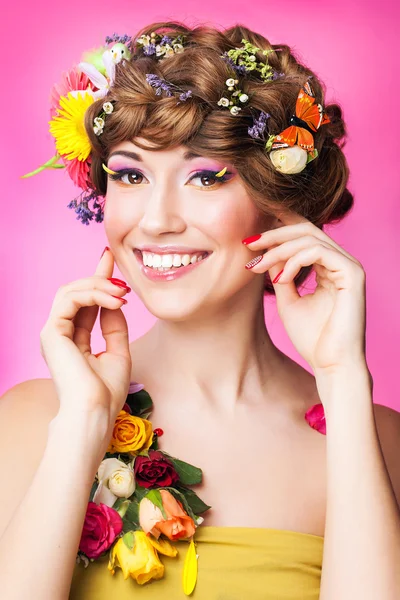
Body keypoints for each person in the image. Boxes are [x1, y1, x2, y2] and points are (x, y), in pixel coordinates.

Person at [1, 21, 400, 600]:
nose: (158, 219)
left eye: (205, 177)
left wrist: (341, 378)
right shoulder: (33, 421)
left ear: (278, 206)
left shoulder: (379, 441)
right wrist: (84, 425)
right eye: (131, 174)